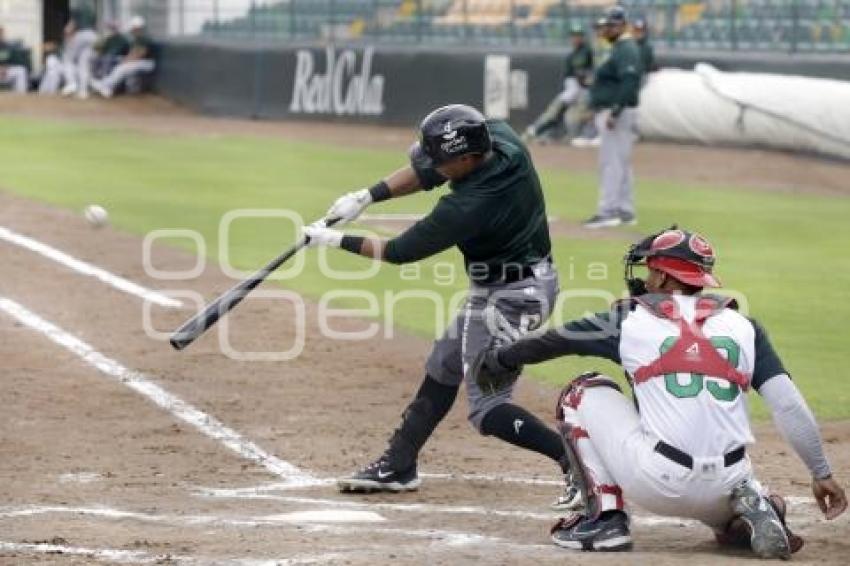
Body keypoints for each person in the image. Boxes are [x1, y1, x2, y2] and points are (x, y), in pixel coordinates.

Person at [472, 227, 848, 555]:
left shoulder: (630, 318)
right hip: (727, 483)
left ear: (667, 279)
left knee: (582, 391)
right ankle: (749, 510)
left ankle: (605, 520)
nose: (646, 279)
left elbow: (556, 341)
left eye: (652, 270)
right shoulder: (744, 326)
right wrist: (820, 472)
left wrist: (501, 359)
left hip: (659, 482)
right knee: (731, 479)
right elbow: (789, 406)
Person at [301, 104, 580, 511]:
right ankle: (399, 464)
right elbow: (427, 170)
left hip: (516, 296)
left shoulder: (470, 205)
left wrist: (333, 241)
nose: (434, 167)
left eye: (443, 161)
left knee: (488, 409)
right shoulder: (498, 138)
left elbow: (400, 251)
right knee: (444, 363)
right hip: (500, 285)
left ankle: (577, 463)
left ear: (467, 158)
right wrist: (367, 196)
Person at [582, 5, 642, 229]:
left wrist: (615, 110)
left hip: (617, 113)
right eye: (606, 25)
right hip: (616, 111)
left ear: (622, 25)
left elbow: (630, 81)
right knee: (621, 163)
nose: (606, 29)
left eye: (611, 25)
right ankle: (625, 210)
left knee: (612, 163)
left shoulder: (626, 48)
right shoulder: (620, 48)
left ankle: (608, 211)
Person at [523, 23, 593, 144]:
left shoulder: (586, 51)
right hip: (573, 88)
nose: (576, 38)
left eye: (578, 35)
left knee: (574, 116)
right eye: (574, 35)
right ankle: (536, 132)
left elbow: (585, 73)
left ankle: (579, 137)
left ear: (582, 37)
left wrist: (585, 81)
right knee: (555, 113)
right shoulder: (572, 55)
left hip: (583, 89)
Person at [91, 16, 156, 98]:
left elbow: (140, 54)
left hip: (147, 63)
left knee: (121, 68)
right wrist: (126, 59)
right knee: (117, 62)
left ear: (138, 28)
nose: (132, 30)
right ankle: (108, 88)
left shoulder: (144, 38)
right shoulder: (137, 38)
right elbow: (132, 53)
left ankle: (105, 85)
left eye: (133, 28)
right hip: (139, 62)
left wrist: (126, 60)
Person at [60, 4, 98, 98]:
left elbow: (72, 24)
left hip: (81, 34)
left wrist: (67, 32)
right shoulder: (91, 8)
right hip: (93, 35)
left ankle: (71, 83)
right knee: (83, 64)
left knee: (67, 59)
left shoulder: (78, 6)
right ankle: (83, 92)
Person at [0, 26, 28, 94]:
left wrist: (5, 67)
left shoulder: (7, 46)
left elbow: (14, 60)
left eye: (1, 34)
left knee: (21, 70)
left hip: (6, 71)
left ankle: (20, 96)